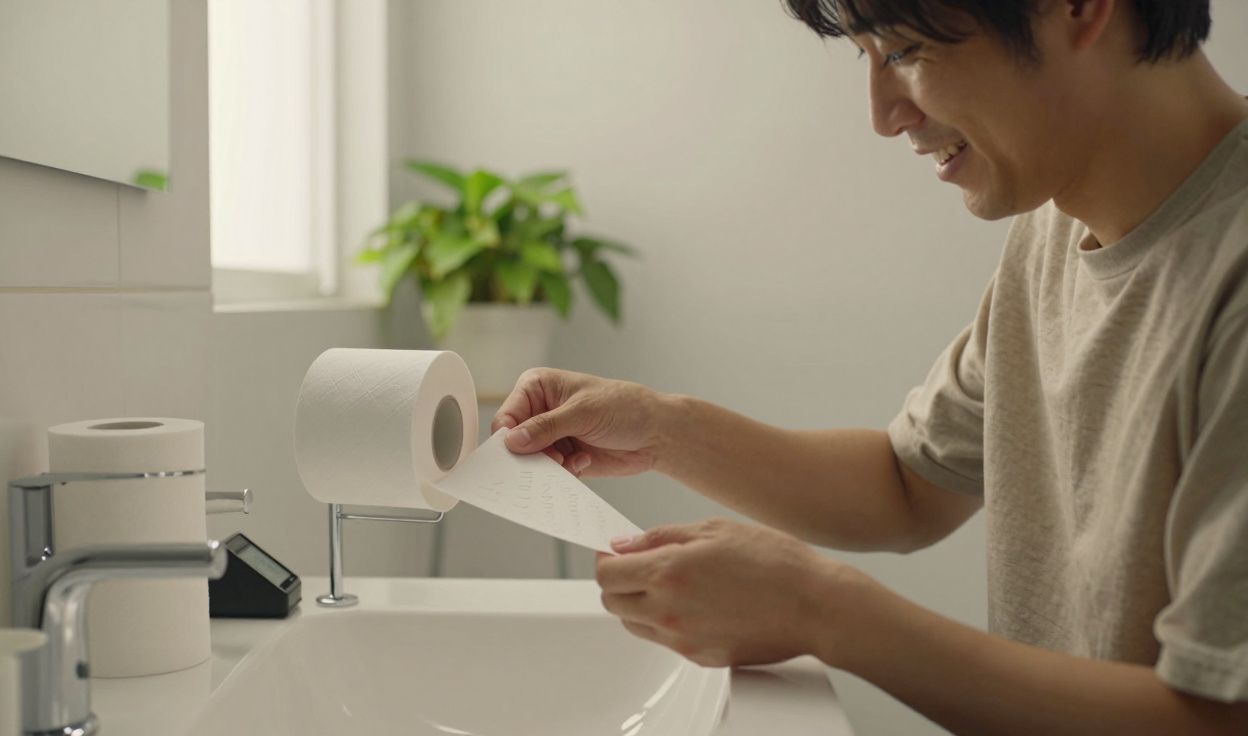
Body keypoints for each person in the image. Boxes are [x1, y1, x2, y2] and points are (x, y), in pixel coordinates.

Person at [491, 0, 1248, 733]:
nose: (885, 116)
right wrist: (659, 429)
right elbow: (908, 486)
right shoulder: (1061, 218)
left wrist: (822, 610)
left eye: (906, 52)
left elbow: (1217, 717)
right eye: (867, 56)